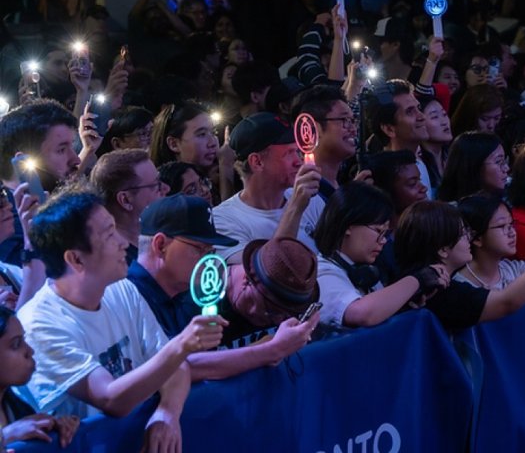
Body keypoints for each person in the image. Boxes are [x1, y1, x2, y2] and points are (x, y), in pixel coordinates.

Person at [17, 191, 223, 444]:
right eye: (109, 235)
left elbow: (174, 368)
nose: (125, 242)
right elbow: (111, 399)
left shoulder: (122, 289)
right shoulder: (39, 325)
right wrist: (182, 344)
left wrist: (167, 412)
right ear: (76, 258)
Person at [128, 194, 317, 379]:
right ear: (161, 245)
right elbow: (176, 369)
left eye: (210, 251)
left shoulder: (179, 294)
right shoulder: (132, 297)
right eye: (199, 249)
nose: (207, 259)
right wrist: (271, 350)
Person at [392, 200, 525, 331]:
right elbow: (507, 302)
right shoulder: (440, 293)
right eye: (462, 233)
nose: (469, 238)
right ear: (443, 249)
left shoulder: (430, 282)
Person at [312, 183, 448, 328]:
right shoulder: (322, 272)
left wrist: (403, 303)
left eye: (386, 234)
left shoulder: (366, 271)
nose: (383, 241)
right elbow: (360, 314)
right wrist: (417, 280)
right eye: (378, 231)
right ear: (348, 226)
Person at [212, 113, 325, 264]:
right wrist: (296, 207)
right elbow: (267, 272)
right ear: (257, 162)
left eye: (297, 152)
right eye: (288, 154)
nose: (298, 162)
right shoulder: (223, 220)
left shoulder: (311, 200)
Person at [0, 305, 80, 448]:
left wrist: (55, 428)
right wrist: (5, 436)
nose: (30, 351)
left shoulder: (15, 406)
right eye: (16, 344)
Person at [90, 149, 167, 264]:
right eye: (156, 185)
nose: (166, 188)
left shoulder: (162, 233)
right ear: (125, 200)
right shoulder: (118, 265)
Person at [291, 85, 357, 197]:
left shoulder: (342, 187)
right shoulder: (298, 194)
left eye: (352, 120)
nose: (353, 129)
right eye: (344, 120)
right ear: (313, 128)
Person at [437, 132, 509, 202]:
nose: (506, 168)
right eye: (498, 162)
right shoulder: (450, 212)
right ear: (475, 165)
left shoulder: (506, 201)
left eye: (504, 161)